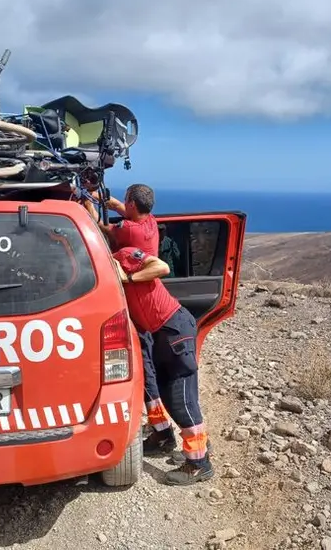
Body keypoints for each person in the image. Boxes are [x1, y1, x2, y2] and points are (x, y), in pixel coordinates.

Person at [81, 184, 175, 452]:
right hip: (148, 312)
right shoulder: (149, 223)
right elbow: (119, 207)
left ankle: (162, 431)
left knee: (145, 374)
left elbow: (101, 227)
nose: (123, 204)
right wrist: (94, 194)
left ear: (133, 204)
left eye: (126, 201)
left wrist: (87, 205)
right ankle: (161, 427)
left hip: (136, 312)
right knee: (148, 368)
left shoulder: (128, 231)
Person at [112, 246, 213, 485]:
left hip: (173, 327)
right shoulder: (104, 267)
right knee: (168, 393)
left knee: (181, 399)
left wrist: (128, 277)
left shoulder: (124, 256)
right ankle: (175, 443)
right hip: (160, 334)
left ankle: (199, 464)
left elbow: (161, 267)